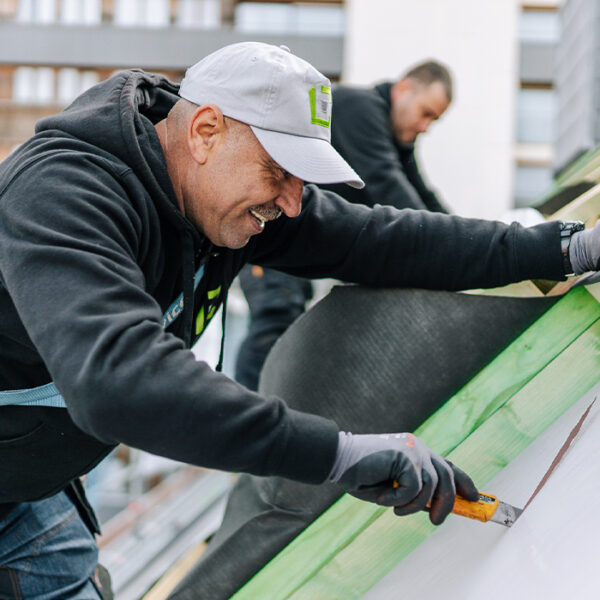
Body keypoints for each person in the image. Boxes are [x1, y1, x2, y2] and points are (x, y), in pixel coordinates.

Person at [0, 41, 597, 599]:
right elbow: (119, 381)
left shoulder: (215, 192)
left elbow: (381, 238)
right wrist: (333, 454)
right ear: (207, 130)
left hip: (29, 482)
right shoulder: (64, 194)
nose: (290, 202)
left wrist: (563, 251)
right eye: (279, 171)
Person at [235, 59, 452, 391]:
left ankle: (266, 412)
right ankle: (248, 414)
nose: (426, 126)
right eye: (426, 113)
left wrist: (466, 235)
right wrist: (445, 245)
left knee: (285, 318)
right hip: (269, 222)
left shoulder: (395, 140)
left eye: (434, 120)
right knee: (275, 314)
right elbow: (388, 186)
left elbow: (422, 194)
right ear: (404, 88)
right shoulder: (359, 108)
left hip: (295, 232)